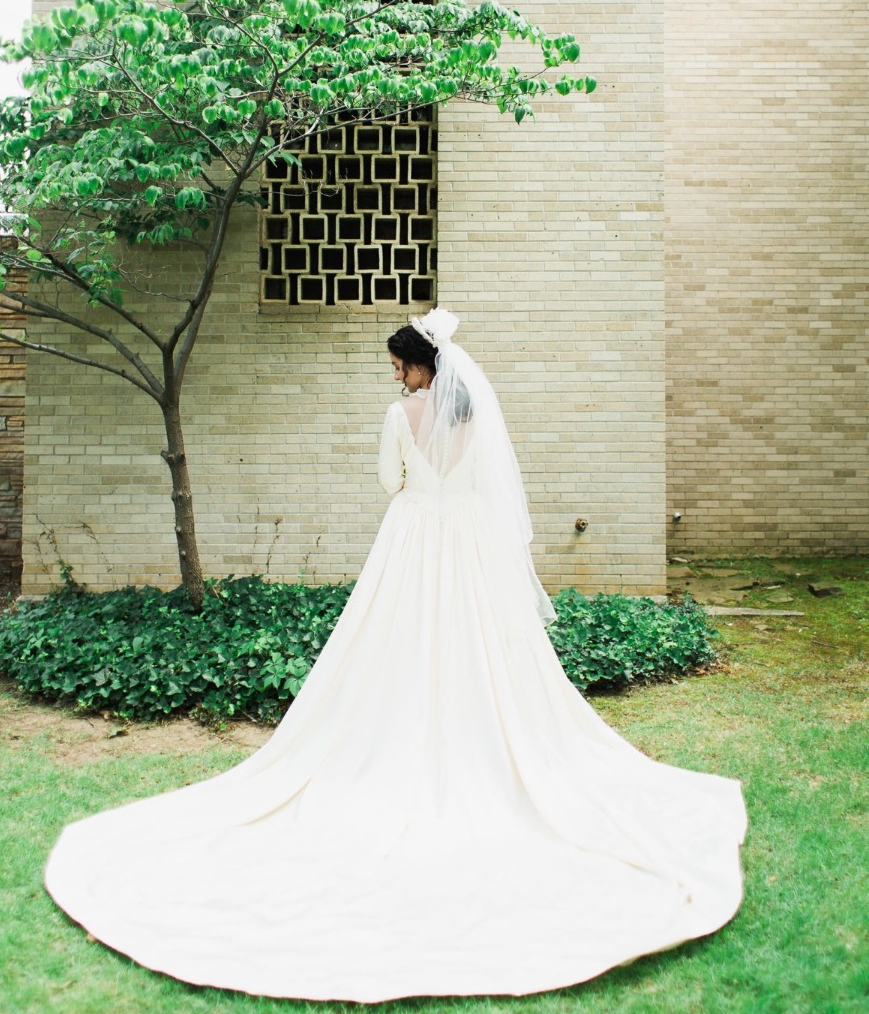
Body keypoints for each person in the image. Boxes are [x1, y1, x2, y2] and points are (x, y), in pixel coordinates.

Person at [44, 308, 747, 1002]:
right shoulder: (477, 421)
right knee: (475, 645)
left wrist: (413, 469)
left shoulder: (399, 417)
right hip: (468, 544)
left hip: (414, 538)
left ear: (420, 365)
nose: (395, 374)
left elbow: (390, 484)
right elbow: (487, 487)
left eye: (399, 363)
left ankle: (408, 737)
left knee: (398, 642)